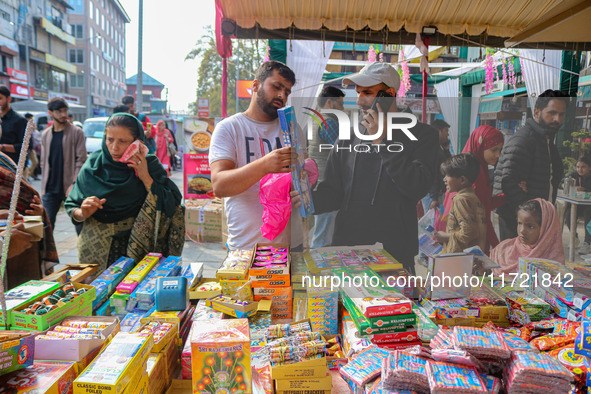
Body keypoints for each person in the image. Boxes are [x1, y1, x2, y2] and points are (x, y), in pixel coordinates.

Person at [310, 62, 440, 274]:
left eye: (368, 93)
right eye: (358, 92)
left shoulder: (423, 135)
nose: (360, 100)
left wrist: (382, 142)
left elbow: (417, 186)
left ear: (388, 94)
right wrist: (305, 195)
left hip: (395, 255)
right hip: (349, 250)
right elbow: (332, 193)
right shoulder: (347, 137)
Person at [64, 113, 184, 273]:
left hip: (139, 251)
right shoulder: (93, 166)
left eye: (123, 141)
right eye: (110, 139)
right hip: (94, 251)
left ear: (138, 141)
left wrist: (146, 178)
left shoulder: (150, 165)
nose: (114, 148)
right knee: (94, 294)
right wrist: (82, 212)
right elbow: (73, 206)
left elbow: (173, 202)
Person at [209, 61, 297, 250]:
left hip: (287, 250)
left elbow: (300, 182)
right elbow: (219, 185)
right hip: (244, 249)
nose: (282, 96)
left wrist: (303, 190)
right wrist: (265, 165)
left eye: (287, 92)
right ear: (255, 86)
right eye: (276, 87)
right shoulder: (230, 128)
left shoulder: (292, 130)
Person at [493, 89, 569, 241]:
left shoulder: (546, 140)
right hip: (518, 223)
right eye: (552, 113)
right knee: (516, 264)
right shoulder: (524, 140)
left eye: (561, 114)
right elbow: (508, 183)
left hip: (535, 220)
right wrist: (529, 218)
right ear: (537, 112)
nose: (557, 119)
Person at [437, 125, 505, 253]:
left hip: (465, 252)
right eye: (494, 149)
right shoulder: (473, 175)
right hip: (469, 250)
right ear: (481, 145)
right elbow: (482, 214)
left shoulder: (474, 172)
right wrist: (497, 247)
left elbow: (482, 210)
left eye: (500, 150)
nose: (498, 155)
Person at [0, 152, 59, 288]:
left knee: (24, 303)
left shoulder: (5, 160)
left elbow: (34, 229)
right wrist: (3, 245)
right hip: (8, 253)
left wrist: (36, 215)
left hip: (24, 258)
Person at [40, 98, 88, 230]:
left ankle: (82, 250)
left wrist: (74, 183)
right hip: (50, 188)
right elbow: (44, 162)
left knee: (79, 224)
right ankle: (48, 251)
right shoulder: (46, 135)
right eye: (59, 111)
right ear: (50, 112)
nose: (63, 114)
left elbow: (81, 161)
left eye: (65, 111)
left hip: (71, 187)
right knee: (46, 227)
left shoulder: (77, 132)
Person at [308, 86, 345, 248]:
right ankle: (320, 271)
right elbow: (345, 152)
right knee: (324, 238)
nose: (343, 109)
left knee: (321, 232)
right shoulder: (329, 122)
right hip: (327, 185)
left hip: (317, 183)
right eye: (341, 104)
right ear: (330, 102)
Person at [491, 199, 564, 275]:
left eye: (530, 226)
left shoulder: (553, 262)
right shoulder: (503, 250)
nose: (522, 231)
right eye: (519, 223)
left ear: (546, 229)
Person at [433, 153, 487, 253]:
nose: (444, 179)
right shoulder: (472, 197)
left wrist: (445, 236)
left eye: (447, 176)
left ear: (462, 180)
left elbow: (468, 232)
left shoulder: (460, 200)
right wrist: (446, 240)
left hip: (460, 261)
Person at [563, 156, 591, 254]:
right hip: (579, 204)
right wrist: (565, 184)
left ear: (589, 167)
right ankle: (574, 237)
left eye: (583, 167)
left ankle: (588, 242)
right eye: (578, 167)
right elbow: (562, 182)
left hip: (589, 206)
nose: (580, 169)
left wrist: (585, 189)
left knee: (588, 214)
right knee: (569, 213)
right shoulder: (574, 175)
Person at [426, 119, 452, 210]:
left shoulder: (439, 148)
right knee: (433, 223)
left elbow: (448, 166)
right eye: (446, 131)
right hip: (433, 195)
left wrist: (446, 150)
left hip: (437, 193)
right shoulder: (431, 149)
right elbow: (431, 173)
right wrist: (434, 198)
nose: (447, 134)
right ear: (438, 131)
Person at [0, 85, 28, 164]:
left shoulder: (20, 120)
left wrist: (2, 147)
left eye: (0, 98)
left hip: (15, 167)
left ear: (8, 99)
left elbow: (25, 146)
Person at [23, 113, 40, 181]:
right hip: (25, 149)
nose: (32, 120)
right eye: (31, 118)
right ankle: (26, 176)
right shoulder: (23, 125)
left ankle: (28, 174)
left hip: (31, 148)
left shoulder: (30, 126)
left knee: (35, 162)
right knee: (24, 164)